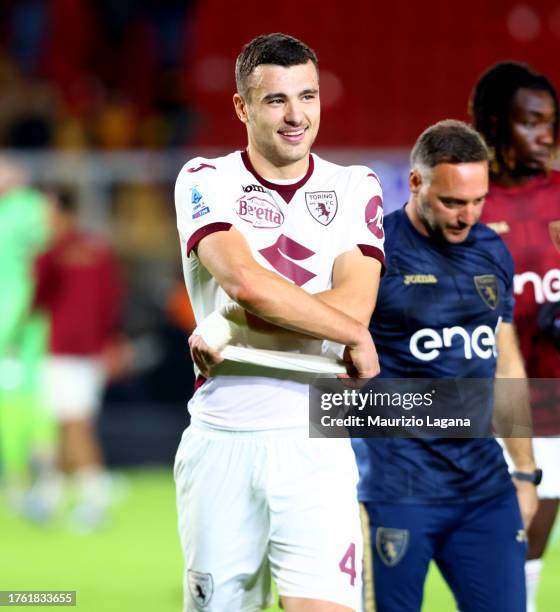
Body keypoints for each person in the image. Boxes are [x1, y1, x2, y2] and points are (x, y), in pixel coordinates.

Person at [173, 33, 385, 611]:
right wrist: (346, 332)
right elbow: (243, 281)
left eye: (308, 96)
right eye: (276, 101)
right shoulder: (204, 179)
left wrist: (235, 325)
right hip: (223, 440)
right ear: (242, 107)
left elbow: (355, 307)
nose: (297, 116)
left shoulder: (353, 185)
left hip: (315, 440)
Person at [352, 120, 538, 612]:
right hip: (396, 491)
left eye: (478, 201)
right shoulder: (372, 254)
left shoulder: (492, 250)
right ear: (415, 183)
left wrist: (524, 472)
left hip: (484, 490)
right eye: (452, 202)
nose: (467, 216)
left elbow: (506, 363)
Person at [470, 61, 560, 612]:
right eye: (532, 122)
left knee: (531, 527)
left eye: (551, 122)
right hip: (496, 400)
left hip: (554, 388)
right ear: (494, 123)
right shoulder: (468, 203)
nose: (546, 135)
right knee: (512, 531)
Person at [32, 189, 125, 529]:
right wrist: (113, 341)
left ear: (60, 213)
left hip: (64, 347)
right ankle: (49, 495)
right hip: (93, 348)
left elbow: (38, 296)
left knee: (74, 423)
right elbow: (112, 298)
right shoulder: (99, 249)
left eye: (48, 212)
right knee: (66, 421)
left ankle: (94, 494)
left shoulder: (52, 251)